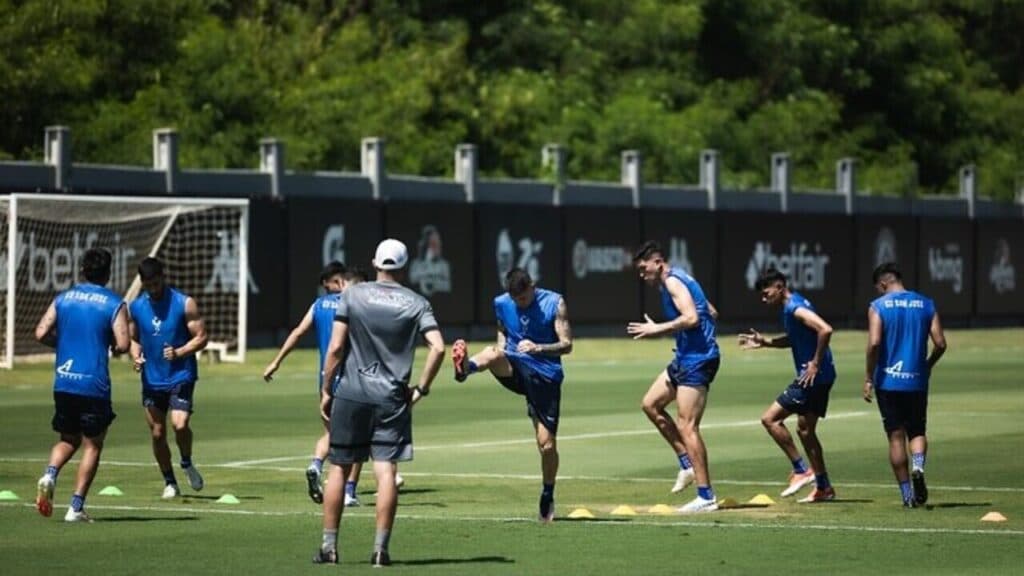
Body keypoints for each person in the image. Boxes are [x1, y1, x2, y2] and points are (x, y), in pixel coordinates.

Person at [314, 239, 445, 567]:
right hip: (392, 398)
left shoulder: (352, 295)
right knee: (385, 471)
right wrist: (422, 389)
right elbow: (438, 348)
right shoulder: (418, 303)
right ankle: (379, 551)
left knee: (339, 469)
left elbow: (335, 347)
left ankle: (329, 548)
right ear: (404, 266)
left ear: (375, 262)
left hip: (351, 394)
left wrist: (328, 388)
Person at [264, 263, 398, 506]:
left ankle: (316, 464)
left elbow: (297, 332)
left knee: (331, 432)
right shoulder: (358, 306)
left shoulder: (319, 305)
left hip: (325, 379)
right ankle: (349, 491)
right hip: (354, 379)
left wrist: (276, 362)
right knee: (362, 436)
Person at [451, 267, 573, 522]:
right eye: (517, 300)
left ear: (532, 286)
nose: (521, 303)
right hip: (515, 366)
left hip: (545, 375)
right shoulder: (501, 303)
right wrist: (505, 348)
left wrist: (538, 347)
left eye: (525, 298)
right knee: (492, 352)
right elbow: (502, 331)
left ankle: (548, 492)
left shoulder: (554, 302)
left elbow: (567, 345)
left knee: (546, 445)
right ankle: (465, 369)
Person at [33, 248, 130, 522]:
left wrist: (62, 344)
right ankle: (75, 507)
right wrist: (110, 344)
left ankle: (49, 474)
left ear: (82, 270)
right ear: (108, 273)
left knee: (67, 439)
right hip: (93, 384)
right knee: (93, 444)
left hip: (64, 381)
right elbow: (123, 344)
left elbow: (40, 332)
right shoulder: (114, 303)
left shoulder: (63, 298)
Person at [628, 241, 721, 513]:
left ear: (658, 262)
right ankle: (686, 463)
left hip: (697, 360)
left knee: (687, 425)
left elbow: (691, 317)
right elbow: (710, 312)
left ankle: (706, 497)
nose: (642, 275)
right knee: (650, 404)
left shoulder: (672, 281)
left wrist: (658, 329)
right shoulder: (681, 278)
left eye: (644, 269)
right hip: (684, 357)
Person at [738, 268, 837, 502]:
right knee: (805, 430)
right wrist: (767, 343)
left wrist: (814, 363)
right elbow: (795, 339)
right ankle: (824, 487)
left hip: (812, 377)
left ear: (780, 287)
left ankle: (802, 470)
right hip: (821, 376)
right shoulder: (791, 306)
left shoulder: (795, 307)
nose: (764, 299)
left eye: (766, 293)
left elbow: (826, 329)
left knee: (770, 419)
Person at [864, 262, 946, 507]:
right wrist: (928, 365)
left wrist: (869, 376)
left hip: (888, 380)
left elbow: (875, 342)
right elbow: (941, 343)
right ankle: (918, 466)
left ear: (882, 283)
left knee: (895, 437)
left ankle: (907, 496)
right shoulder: (926, 303)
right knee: (917, 431)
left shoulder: (878, 306)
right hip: (917, 381)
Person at [127, 257, 208, 499]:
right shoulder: (136, 307)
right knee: (157, 433)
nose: (152, 287)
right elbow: (133, 340)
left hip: (181, 374)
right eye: (147, 283)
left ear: (163, 276)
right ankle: (170, 482)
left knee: (180, 424)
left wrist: (180, 352)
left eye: (155, 282)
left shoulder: (184, 303)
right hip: (152, 380)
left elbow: (202, 337)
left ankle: (186, 462)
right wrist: (136, 356)